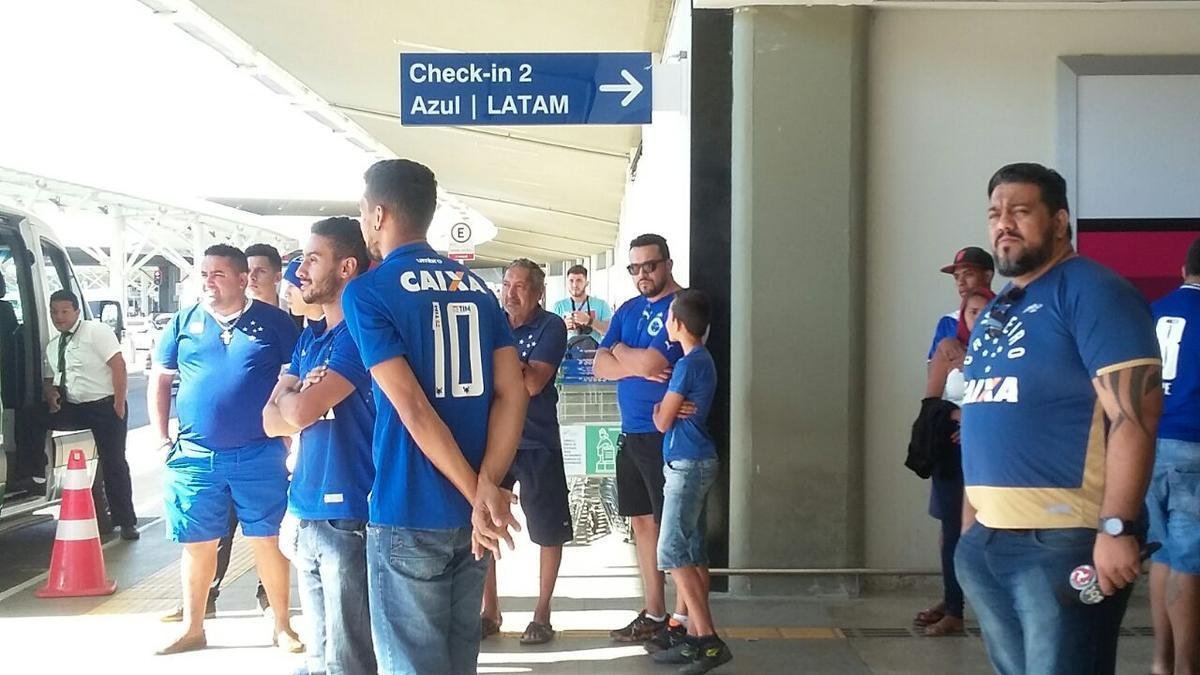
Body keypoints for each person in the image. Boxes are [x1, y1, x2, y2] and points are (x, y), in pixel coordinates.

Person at [955, 163, 1162, 675]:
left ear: (1060, 221)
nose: (1004, 223)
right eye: (995, 213)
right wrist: (971, 528)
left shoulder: (1092, 291)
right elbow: (984, 408)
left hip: (1062, 542)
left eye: (1020, 211)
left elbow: (1135, 417)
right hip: (987, 544)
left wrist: (1116, 527)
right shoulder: (1001, 306)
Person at [343, 158, 527, 674]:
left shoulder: (369, 291)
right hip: (475, 523)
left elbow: (413, 408)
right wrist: (486, 488)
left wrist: (479, 495)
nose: (362, 222)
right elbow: (513, 394)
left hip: (410, 511)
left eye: (362, 212)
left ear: (379, 214)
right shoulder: (474, 287)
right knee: (458, 661)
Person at [150, 244, 303, 656]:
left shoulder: (275, 324)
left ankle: (282, 625)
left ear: (242, 279)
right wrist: (163, 438)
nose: (209, 281)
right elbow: (161, 380)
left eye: (218, 274)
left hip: (259, 453)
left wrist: (289, 431)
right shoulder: (183, 322)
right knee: (197, 543)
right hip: (196, 456)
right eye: (204, 273)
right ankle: (193, 627)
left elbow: (296, 378)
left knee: (267, 539)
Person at [262, 217, 376, 675]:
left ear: (347, 267)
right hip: (306, 509)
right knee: (319, 654)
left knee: (349, 656)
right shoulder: (312, 338)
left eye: (312, 259)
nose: (300, 271)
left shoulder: (358, 335)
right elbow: (270, 420)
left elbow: (302, 413)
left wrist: (293, 400)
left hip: (348, 512)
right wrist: (296, 397)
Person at [593, 234, 689, 648]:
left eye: (649, 266)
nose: (642, 275)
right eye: (634, 268)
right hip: (631, 431)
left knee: (676, 528)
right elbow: (598, 365)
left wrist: (622, 356)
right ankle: (654, 611)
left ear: (667, 263)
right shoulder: (629, 309)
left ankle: (683, 619)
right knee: (641, 521)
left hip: (666, 434)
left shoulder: (682, 306)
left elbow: (655, 362)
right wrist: (620, 353)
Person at [480, 258, 571, 646]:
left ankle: (542, 612)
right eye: (507, 285)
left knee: (548, 530)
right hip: (492, 440)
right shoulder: (490, 323)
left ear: (538, 292)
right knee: (484, 523)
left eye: (520, 287)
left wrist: (500, 360)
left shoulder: (551, 326)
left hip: (537, 441)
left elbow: (532, 382)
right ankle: (489, 609)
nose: (511, 293)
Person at [646, 288, 732, 674]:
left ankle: (709, 639)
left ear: (678, 324)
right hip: (697, 461)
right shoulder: (704, 361)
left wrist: (662, 408)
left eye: (669, 318)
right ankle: (695, 637)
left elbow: (662, 421)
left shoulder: (686, 365)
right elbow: (671, 412)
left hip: (686, 464)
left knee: (672, 552)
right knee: (694, 552)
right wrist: (670, 407)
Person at [12, 290, 138, 539]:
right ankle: (34, 472)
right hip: (76, 407)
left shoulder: (96, 332)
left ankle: (126, 523)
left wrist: (119, 405)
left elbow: (118, 366)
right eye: (54, 312)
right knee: (30, 415)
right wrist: (51, 394)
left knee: (113, 463)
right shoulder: (53, 345)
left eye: (64, 311)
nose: (59, 317)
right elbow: (49, 380)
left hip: (105, 406)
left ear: (76, 312)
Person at [917, 287, 994, 637]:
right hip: (952, 451)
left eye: (984, 311)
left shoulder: (1005, 350)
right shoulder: (948, 349)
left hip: (993, 450)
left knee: (993, 530)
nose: (977, 318)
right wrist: (958, 415)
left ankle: (994, 607)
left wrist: (978, 423)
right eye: (971, 312)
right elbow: (930, 402)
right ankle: (953, 608)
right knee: (952, 531)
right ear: (961, 315)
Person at [1147, 237, 1200, 675]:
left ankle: (1161, 661)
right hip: (1194, 449)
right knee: (1190, 561)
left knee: (1163, 553)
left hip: (1149, 446)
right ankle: (1187, 667)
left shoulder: (1153, 309)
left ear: (1185, 269)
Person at [551, 264, 613, 342]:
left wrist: (590, 321)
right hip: (567, 352)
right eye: (571, 281)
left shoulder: (601, 305)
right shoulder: (559, 306)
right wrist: (563, 327)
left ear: (587, 283)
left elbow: (611, 332)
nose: (574, 285)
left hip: (594, 352)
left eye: (579, 280)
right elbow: (550, 336)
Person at [246, 243, 284, 308]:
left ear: (277, 277)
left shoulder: (296, 312)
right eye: (248, 271)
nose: (252, 276)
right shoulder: (232, 313)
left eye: (261, 271)